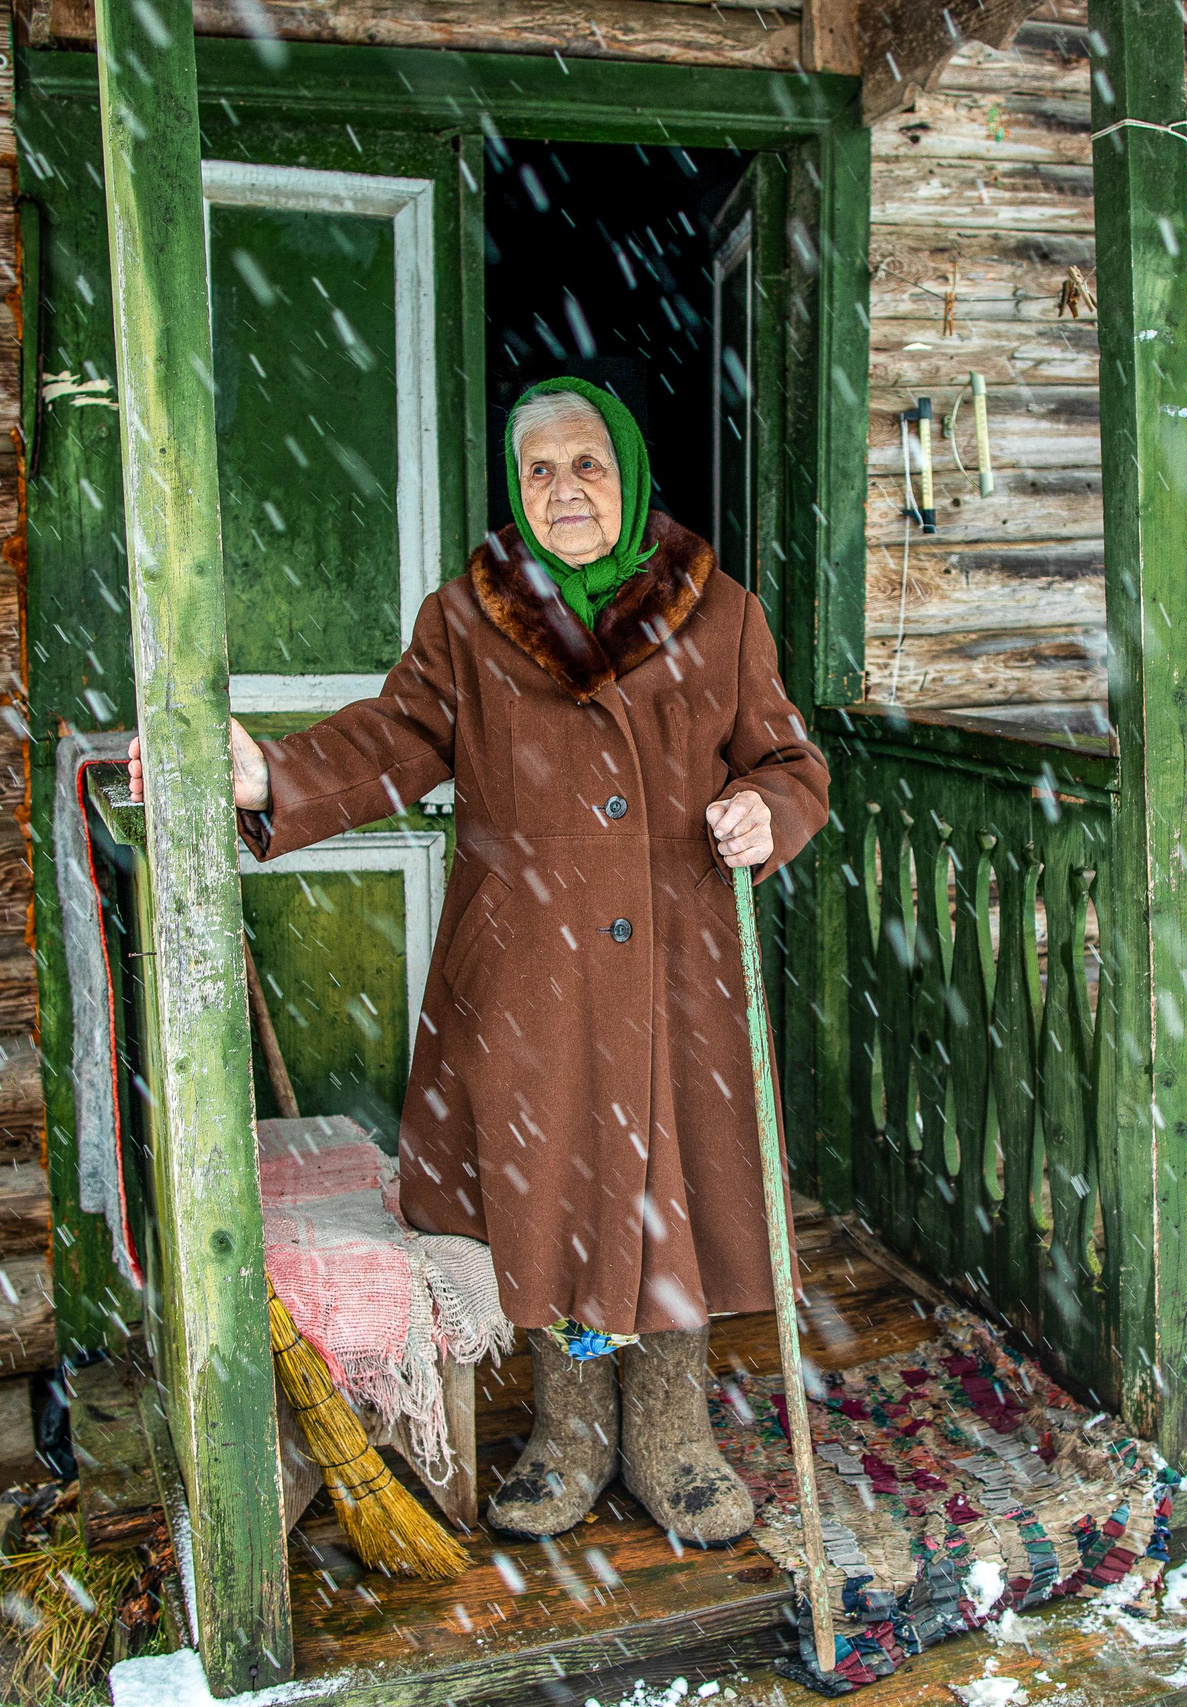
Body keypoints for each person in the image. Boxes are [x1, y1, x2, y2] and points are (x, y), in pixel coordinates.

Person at [127, 378, 829, 1545]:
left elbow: (790, 760)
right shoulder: (472, 617)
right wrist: (270, 780)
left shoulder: (724, 615)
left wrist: (766, 808)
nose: (565, 490)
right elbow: (395, 739)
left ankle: (672, 1439)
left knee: (667, 1198)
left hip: (673, 965)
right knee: (548, 1194)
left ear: (631, 476)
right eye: (540, 471)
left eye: (587, 466)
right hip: (531, 971)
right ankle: (567, 1438)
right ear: (515, 489)